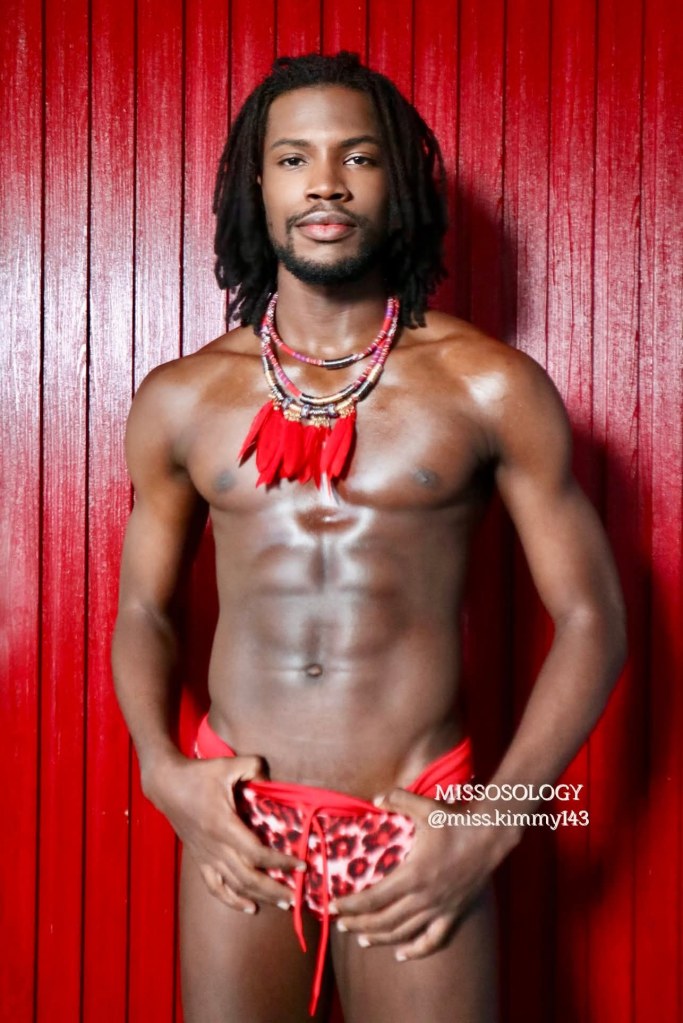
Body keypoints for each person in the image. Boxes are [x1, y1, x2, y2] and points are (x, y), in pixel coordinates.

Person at [111, 52, 626, 1023]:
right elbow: (143, 608)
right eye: (292, 158)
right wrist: (163, 770)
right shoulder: (181, 398)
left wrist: (494, 824)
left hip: (417, 821)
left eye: (357, 157)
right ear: (255, 186)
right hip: (241, 820)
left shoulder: (487, 385)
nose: (325, 183)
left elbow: (592, 618)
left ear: (397, 185)